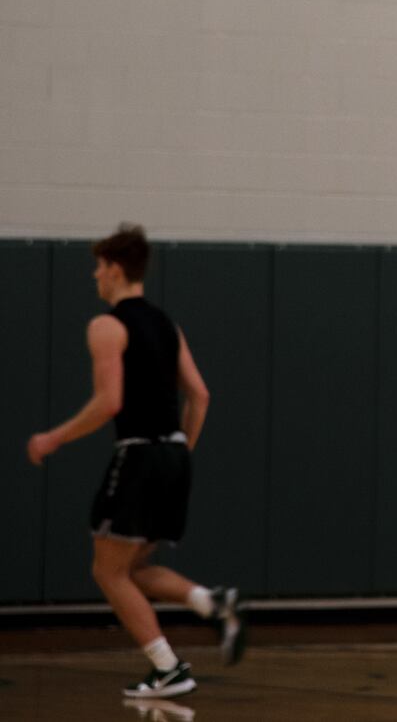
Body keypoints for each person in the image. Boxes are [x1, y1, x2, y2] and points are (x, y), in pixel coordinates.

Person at [26, 224, 244, 700]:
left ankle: (167, 668)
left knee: (106, 571)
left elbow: (109, 402)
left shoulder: (107, 326)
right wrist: (181, 451)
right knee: (135, 567)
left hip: (140, 454)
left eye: (99, 267)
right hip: (174, 454)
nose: (94, 275)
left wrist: (52, 438)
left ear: (116, 269)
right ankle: (210, 601)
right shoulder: (168, 325)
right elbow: (201, 395)